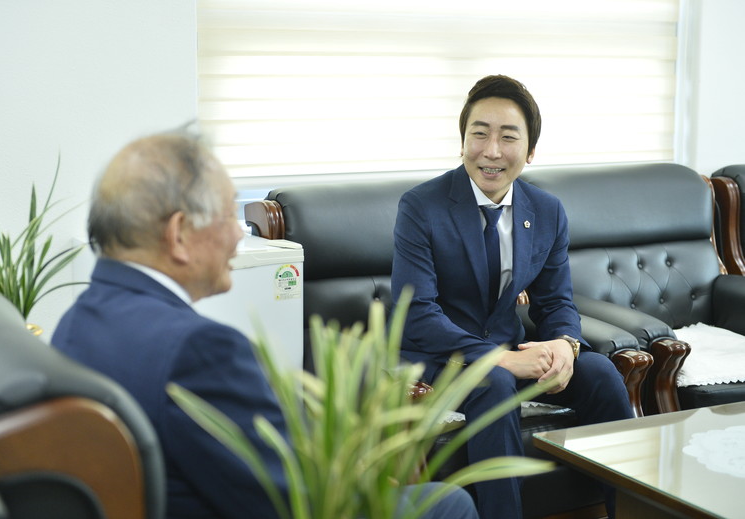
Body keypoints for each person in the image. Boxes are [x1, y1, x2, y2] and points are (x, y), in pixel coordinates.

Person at [52, 131, 478, 519]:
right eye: (227, 215)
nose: (239, 235)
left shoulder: (76, 322)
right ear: (179, 234)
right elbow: (292, 501)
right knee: (449, 503)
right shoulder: (199, 349)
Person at [391, 75, 634, 519]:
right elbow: (417, 314)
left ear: (530, 150)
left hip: (511, 352)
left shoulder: (546, 210)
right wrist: (499, 359)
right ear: (462, 142)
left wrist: (565, 345)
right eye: (479, 134)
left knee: (601, 373)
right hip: (441, 358)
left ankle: (632, 510)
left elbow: (556, 302)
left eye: (508, 137)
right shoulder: (421, 207)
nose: (491, 151)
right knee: (494, 382)